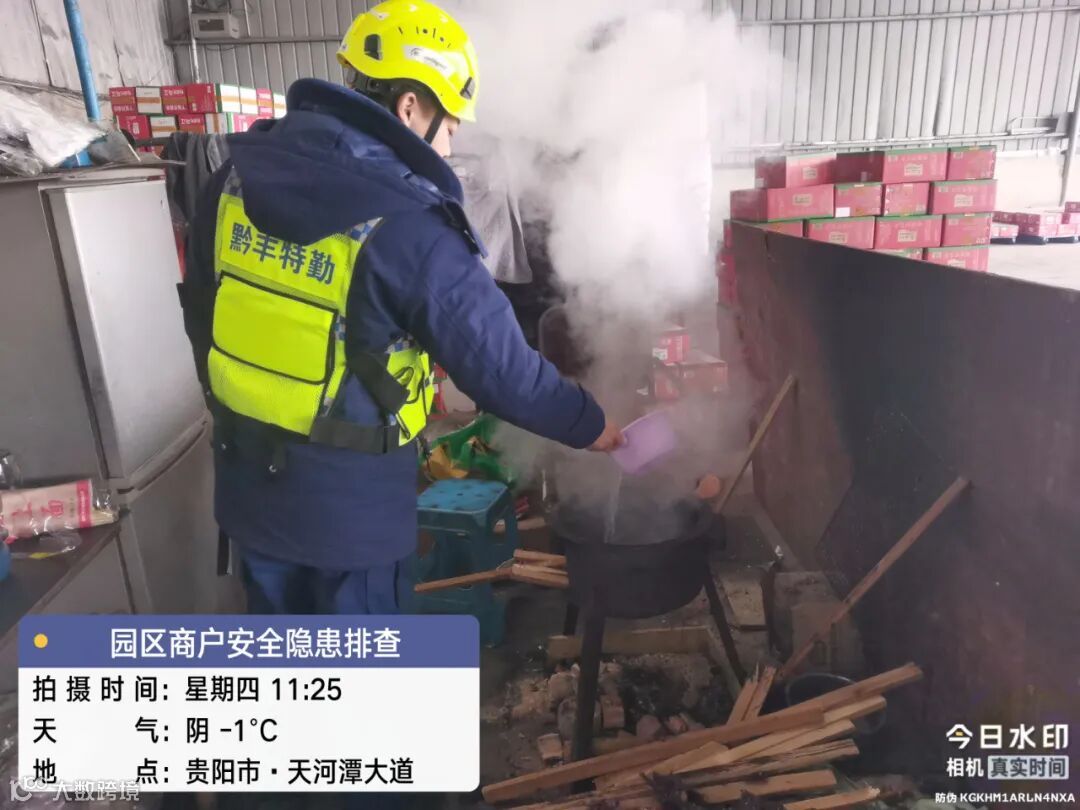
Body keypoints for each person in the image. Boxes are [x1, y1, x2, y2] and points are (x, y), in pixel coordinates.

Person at [177, 0, 623, 618]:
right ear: (411, 106)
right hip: (351, 511)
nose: (454, 139)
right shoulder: (412, 225)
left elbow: (201, 312)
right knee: (362, 668)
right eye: (452, 122)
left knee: (286, 656)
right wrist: (589, 423)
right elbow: (503, 371)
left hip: (247, 485)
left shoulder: (231, 178)